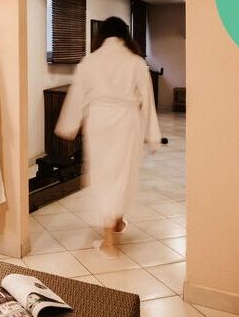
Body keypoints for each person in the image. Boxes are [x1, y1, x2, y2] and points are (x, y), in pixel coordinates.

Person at [55, 16, 161, 254]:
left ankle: (113, 232)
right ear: (125, 35)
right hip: (127, 122)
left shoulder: (90, 61)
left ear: (101, 36)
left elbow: (77, 95)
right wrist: (152, 135)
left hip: (99, 121)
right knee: (124, 174)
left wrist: (69, 125)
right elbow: (147, 99)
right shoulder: (135, 62)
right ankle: (113, 234)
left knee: (104, 175)